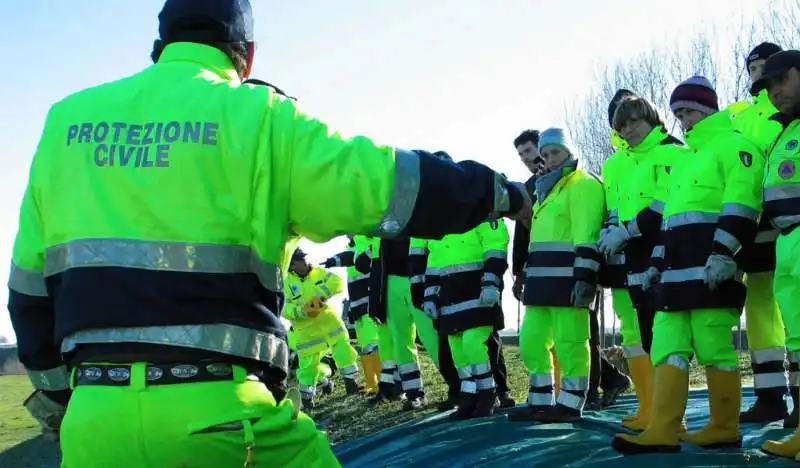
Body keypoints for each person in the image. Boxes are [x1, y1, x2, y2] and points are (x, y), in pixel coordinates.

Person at [8, 1, 532, 466]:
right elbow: (388, 183)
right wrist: (501, 193)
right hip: (226, 419)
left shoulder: (65, 124)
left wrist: (70, 404)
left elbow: (29, 295)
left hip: (94, 429)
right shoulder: (260, 117)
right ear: (248, 55)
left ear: (159, 47)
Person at [612, 76, 763, 455]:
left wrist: (724, 253)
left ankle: (724, 426)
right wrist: (656, 264)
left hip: (712, 267)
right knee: (666, 345)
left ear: (709, 108)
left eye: (690, 110)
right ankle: (663, 429)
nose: (684, 119)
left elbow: (743, 205)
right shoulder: (687, 158)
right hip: (674, 274)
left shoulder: (734, 147)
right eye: (678, 113)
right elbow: (671, 222)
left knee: (713, 345)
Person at [600, 93, 687, 429]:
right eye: (622, 126)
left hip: (667, 253)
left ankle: (669, 420)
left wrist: (628, 230)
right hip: (634, 256)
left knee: (669, 338)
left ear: (651, 117)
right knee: (648, 336)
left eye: (634, 121)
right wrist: (613, 233)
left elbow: (665, 205)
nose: (628, 130)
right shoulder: (626, 163)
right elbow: (618, 207)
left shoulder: (671, 151)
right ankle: (657, 415)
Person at [508, 127, 605, 423]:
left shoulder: (583, 184)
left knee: (571, 342)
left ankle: (572, 403)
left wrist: (585, 278)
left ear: (569, 151)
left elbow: (586, 234)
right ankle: (539, 400)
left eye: (556, 153)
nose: (549, 159)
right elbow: (536, 239)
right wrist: (524, 274)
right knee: (531, 341)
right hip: (540, 284)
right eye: (546, 153)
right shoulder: (543, 189)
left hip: (568, 281)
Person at [727, 42, 790, 425]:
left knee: (791, 309)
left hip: (788, 221)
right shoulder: (741, 116)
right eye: (752, 69)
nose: (759, 75)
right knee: (762, 311)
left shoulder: (790, 112)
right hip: (754, 224)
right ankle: (770, 396)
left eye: (766, 68)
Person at [751, 49, 800, 460]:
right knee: (798, 340)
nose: (774, 92)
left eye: (782, 80)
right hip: (787, 244)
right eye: (768, 87)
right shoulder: (782, 131)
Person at [423, 202, 511, 419]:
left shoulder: (483, 214)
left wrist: (491, 282)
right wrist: (430, 296)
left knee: (473, 343)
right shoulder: (439, 225)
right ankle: (470, 396)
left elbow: (496, 247)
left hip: (478, 292)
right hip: (449, 297)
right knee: (457, 350)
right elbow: (433, 262)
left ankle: (488, 394)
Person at [282, 248, 360, 409]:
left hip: (330, 324)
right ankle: (307, 400)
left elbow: (337, 282)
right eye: (299, 260)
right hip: (307, 333)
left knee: (344, 351)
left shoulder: (318, 272)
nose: (304, 262)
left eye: (304, 258)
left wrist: (320, 296)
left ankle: (351, 382)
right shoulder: (286, 283)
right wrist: (302, 311)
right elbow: (284, 308)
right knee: (308, 368)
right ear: (291, 265)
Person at [322, 235, 382, 395]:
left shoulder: (367, 242)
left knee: (373, 345)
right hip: (357, 307)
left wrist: (335, 260)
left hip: (369, 303)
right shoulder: (353, 247)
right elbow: (348, 257)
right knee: (365, 347)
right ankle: (372, 383)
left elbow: (351, 258)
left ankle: (384, 384)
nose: (348, 232)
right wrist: (332, 260)